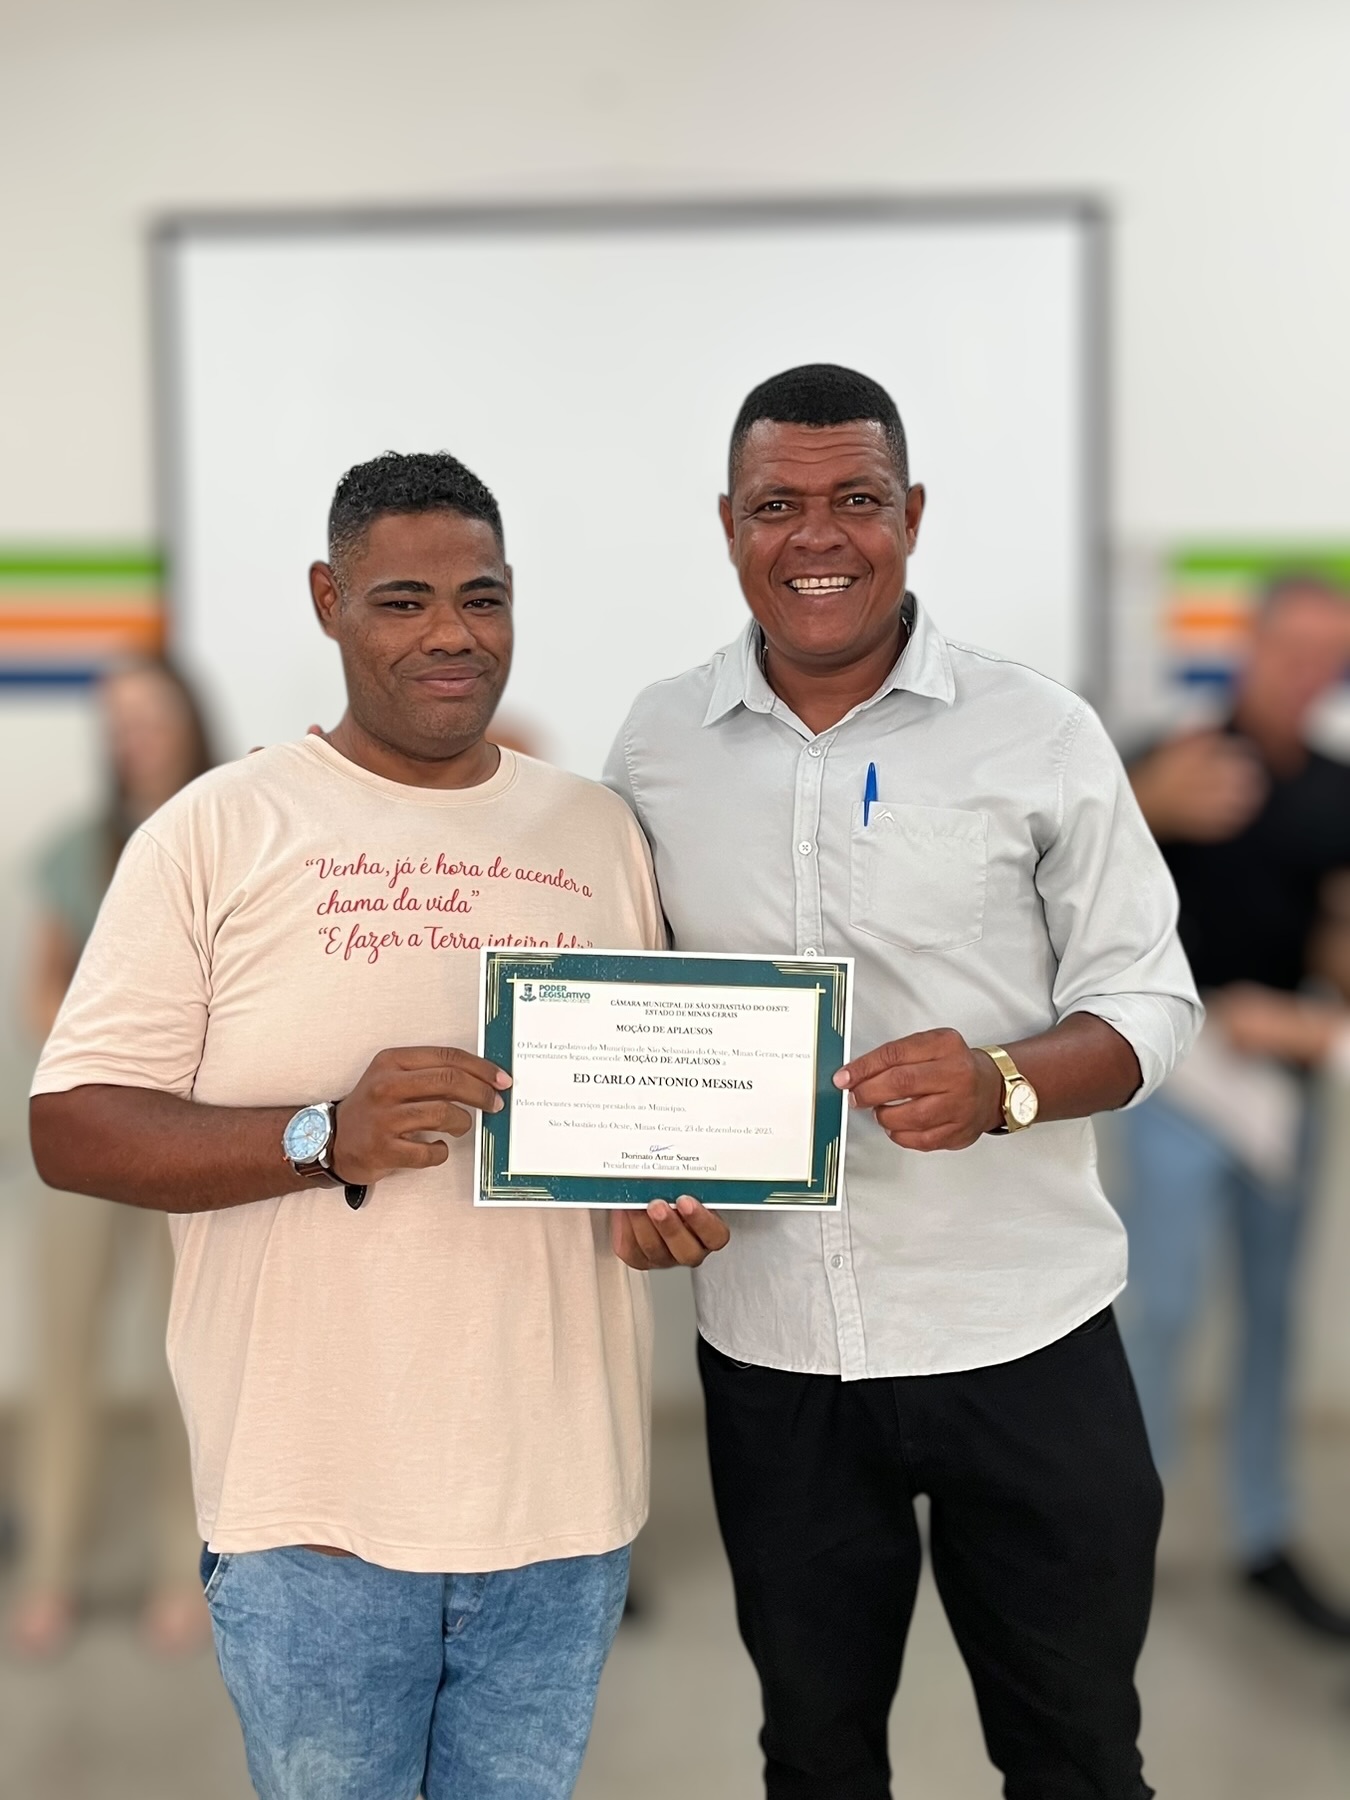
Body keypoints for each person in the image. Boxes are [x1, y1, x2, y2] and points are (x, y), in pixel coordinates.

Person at [29, 452, 728, 1800]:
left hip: (562, 1507)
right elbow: (71, 1128)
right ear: (327, 600)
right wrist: (320, 1138)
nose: (451, 633)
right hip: (311, 1519)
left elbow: (641, 1120)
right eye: (403, 600)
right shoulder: (213, 831)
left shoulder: (598, 831)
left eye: (482, 598)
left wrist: (659, 1215)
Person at [604, 364, 1201, 1800]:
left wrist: (1004, 1081)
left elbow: (1149, 1002)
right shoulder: (657, 743)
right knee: (813, 1759)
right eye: (778, 505)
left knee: (1076, 1758)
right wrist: (631, 1176)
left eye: (856, 498)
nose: (817, 535)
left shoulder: (1039, 732)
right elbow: (628, 1021)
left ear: (912, 514)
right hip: (776, 1352)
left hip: (1026, 1333)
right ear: (729, 525)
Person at [1121, 573, 1350, 1637]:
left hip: (1286, 1079)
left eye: (1326, 657)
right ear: (1251, 645)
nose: (1305, 672)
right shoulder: (1169, 760)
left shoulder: (1336, 790)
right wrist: (1148, 805)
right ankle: (1128, 1531)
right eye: (1290, 649)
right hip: (1179, 1074)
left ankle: (1265, 1532)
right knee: (1162, 1306)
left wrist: (1313, 1013)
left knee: (1272, 1309)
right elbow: (1069, 884)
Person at [8, 655, 214, 1659]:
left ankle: (185, 1569)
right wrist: (106, 1060)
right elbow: (41, 988)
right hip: (90, 1139)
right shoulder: (74, 853)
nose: (131, 734)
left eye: (148, 714)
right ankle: (49, 1568)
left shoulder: (229, 832)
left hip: (197, 1139)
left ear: (187, 718)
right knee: (65, 1356)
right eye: (116, 719)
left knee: (191, 1358)